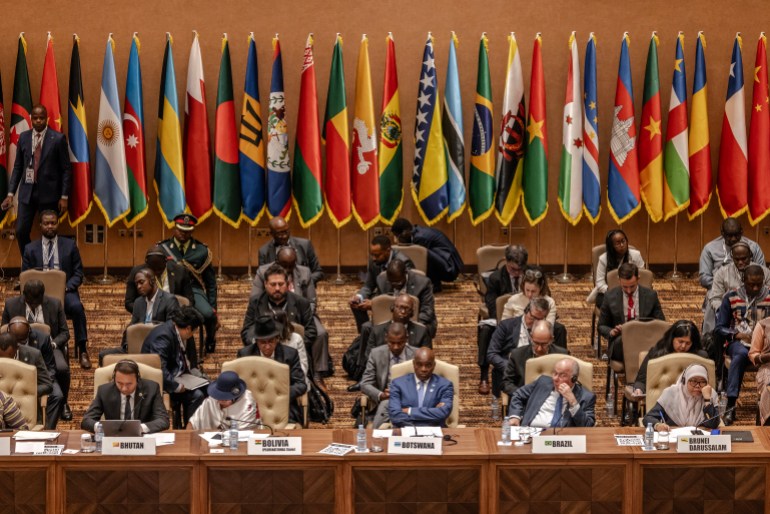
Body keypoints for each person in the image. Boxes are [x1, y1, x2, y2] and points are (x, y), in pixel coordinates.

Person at [21, 210, 91, 369]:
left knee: (77, 308)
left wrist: (65, 287)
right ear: (40, 226)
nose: (50, 226)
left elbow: (78, 273)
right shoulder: (30, 249)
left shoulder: (70, 245)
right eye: (46, 223)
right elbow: (24, 276)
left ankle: (83, 349)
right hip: (38, 295)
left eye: (53, 223)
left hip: (65, 293)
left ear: (58, 224)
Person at [2, 104, 71, 256]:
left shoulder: (58, 138)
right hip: (27, 194)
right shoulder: (24, 138)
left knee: (49, 233)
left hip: (50, 195)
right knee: (21, 231)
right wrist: (10, 193)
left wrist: (64, 196)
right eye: (35, 118)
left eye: (41, 118)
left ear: (46, 119)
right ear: (31, 119)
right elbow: (18, 167)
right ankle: (30, 264)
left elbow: (66, 169)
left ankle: (49, 267)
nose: (38, 121)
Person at [252, 247, 330, 380]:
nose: (288, 270)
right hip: (267, 321)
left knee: (320, 333)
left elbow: (311, 300)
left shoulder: (304, 272)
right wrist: (257, 341)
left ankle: (318, 373)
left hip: (300, 313)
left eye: (281, 284)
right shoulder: (263, 274)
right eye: (273, 284)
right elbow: (248, 327)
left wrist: (293, 344)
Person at [1, 279, 71, 420]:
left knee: (62, 369)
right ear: (23, 295)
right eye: (30, 302)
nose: (33, 305)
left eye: (36, 302)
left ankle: (63, 405)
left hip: (46, 346)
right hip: (11, 352)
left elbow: (65, 333)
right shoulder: (11, 305)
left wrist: (53, 344)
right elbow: (3, 332)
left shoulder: (55, 304)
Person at [715, 264, 770, 425]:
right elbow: (719, 328)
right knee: (739, 355)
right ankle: (731, 406)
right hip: (740, 343)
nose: (755, 287)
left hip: (765, 344)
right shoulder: (731, 297)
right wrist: (736, 334)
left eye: (759, 284)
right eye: (751, 284)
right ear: (743, 280)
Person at [159, 213, 219, 352]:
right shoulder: (163, 248)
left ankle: (210, 339)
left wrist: (213, 307)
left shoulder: (201, 250)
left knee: (208, 314)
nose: (183, 234)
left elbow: (211, 283)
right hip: (170, 288)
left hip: (193, 289)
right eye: (180, 230)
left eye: (187, 231)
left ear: (192, 231)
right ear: (175, 228)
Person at [141, 306, 206, 427]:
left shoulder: (175, 330)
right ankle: (190, 430)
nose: (193, 335)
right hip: (161, 383)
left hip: (178, 375)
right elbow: (159, 370)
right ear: (188, 329)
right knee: (197, 396)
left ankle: (202, 427)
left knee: (209, 388)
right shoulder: (163, 337)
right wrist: (178, 387)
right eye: (194, 331)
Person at [477, 244, 528, 395]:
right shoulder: (496, 278)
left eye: (520, 269)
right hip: (503, 319)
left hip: (528, 318)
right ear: (506, 262)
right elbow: (491, 304)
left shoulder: (532, 274)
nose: (517, 273)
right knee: (485, 330)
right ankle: (484, 375)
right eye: (513, 270)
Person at [237, 315, 307, 424]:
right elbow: (238, 384)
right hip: (253, 404)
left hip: (282, 404)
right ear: (256, 341)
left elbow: (301, 384)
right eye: (263, 343)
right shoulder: (245, 354)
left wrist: (280, 395)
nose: (268, 346)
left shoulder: (290, 354)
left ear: (277, 338)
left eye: (271, 341)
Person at [700, 217, 765, 332]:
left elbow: (762, 273)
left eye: (736, 235)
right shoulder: (710, 249)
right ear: (722, 233)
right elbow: (704, 279)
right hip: (722, 288)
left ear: (741, 232)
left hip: (751, 289)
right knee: (712, 295)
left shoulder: (754, 247)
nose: (733, 239)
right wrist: (724, 283)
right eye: (729, 236)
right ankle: (711, 335)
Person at [599, 262, 665, 363]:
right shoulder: (609, 296)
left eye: (632, 286)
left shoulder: (650, 296)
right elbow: (601, 326)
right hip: (621, 341)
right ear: (619, 280)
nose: (629, 291)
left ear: (638, 278)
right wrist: (612, 332)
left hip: (645, 337)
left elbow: (661, 323)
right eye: (625, 287)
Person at [81, 359, 170, 434]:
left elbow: (163, 420)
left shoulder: (152, 389)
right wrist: (102, 428)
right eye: (119, 383)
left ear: (138, 380)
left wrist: (140, 428)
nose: (124, 388)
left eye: (129, 384)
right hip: (114, 440)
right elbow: (86, 420)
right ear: (114, 378)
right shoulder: (104, 391)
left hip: (142, 440)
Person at [487, 297, 552, 397]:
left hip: (541, 377)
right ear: (526, 311)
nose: (536, 322)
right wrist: (511, 367)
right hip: (513, 378)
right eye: (533, 317)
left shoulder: (550, 331)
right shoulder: (506, 326)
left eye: (540, 319)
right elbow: (492, 354)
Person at [6, 317, 63, 429]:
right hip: (4, 395)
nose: (18, 345)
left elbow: (50, 368)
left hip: (37, 381)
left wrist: (29, 392)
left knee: (57, 395)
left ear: (29, 333)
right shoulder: (4, 343)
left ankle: (48, 429)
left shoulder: (40, 344)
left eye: (21, 341)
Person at [349, 235, 414, 333]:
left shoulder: (403, 263)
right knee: (356, 304)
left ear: (388, 250)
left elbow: (405, 294)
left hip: (398, 299)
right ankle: (367, 334)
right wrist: (359, 296)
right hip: (381, 294)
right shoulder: (373, 261)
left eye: (377, 255)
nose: (374, 258)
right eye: (372, 254)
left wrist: (376, 304)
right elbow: (368, 285)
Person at [509, 358, 596, 428]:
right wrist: (515, 416)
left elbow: (587, 426)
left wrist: (573, 402)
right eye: (554, 373)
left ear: (574, 379)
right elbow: (518, 395)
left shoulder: (586, 397)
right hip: (531, 433)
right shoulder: (542, 382)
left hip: (562, 441)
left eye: (562, 375)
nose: (555, 378)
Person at [360, 322, 416, 428]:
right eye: (392, 343)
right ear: (386, 338)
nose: (395, 347)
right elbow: (365, 383)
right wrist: (381, 395)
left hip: (410, 400)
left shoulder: (416, 355)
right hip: (386, 399)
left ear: (406, 339)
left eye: (400, 343)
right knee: (386, 405)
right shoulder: (376, 354)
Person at [633, 320, 708, 395]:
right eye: (680, 341)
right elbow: (641, 381)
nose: (683, 346)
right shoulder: (656, 353)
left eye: (688, 343)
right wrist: (639, 389)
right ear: (672, 338)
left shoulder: (700, 357)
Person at [391, 217, 464, 292]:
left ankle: (434, 285)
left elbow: (420, 262)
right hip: (445, 261)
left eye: (397, 236)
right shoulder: (415, 232)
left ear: (405, 232)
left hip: (450, 268)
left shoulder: (420, 238)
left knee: (423, 253)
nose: (397, 239)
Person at [388, 347, 453, 428]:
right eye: (419, 364)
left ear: (434, 365)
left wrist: (409, 411)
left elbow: (443, 413)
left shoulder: (445, 385)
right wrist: (432, 414)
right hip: (405, 431)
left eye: (428, 365)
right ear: (414, 364)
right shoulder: (398, 384)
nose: (423, 369)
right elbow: (395, 416)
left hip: (434, 434)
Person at [643, 364, 720, 431]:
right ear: (685, 381)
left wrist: (707, 400)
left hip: (699, 442)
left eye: (703, 382)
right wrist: (657, 425)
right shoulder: (671, 393)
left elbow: (713, 425)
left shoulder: (710, 394)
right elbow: (648, 418)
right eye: (693, 381)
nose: (698, 386)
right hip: (673, 441)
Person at [502, 320, 568, 397]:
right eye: (536, 343)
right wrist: (522, 394)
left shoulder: (562, 355)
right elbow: (506, 382)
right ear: (531, 336)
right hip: (524, 400)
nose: (539, 349)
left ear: (551, 339)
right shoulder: (517, 355)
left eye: (544, 344)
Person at [376, 259, 437, 338]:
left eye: (398, 282)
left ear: (405, 273)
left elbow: (427, 311)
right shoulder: (381, 280)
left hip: (416, 320)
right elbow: (380, 306)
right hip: (389, 320)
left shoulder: (423, 283)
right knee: (366, 327)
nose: (395, 286)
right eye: (391, 283)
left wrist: (407, 323)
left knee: (424, 329)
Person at [124, 245, 194, 313]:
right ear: (147, 264)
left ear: (166, 261)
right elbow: (129, 303)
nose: (156, 272)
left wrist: (179, 314)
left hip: (174, 315)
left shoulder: (180, 271)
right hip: (147, 316)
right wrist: (146, 313)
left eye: (160, 269)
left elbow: (190, 300)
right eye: (153, 269)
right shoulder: (136, 272)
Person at [258, 216, 323, 285]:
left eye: (286, 231)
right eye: (280, 233)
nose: (285, 236)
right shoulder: (264, 252)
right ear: (272, 234)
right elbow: (262, 276)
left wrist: (304, 282)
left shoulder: (305, 245)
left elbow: (318, 272)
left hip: (303, 291)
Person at [587, 229, 645, 305]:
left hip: (632, 290)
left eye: (623, 241)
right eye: (617, 243)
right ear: (611, 246)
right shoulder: (603, 259)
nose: (622, 245)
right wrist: (615, 293)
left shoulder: (636, 255)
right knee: (606, 303)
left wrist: (631, 290)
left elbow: (643, 276)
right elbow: (600, 284)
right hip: (609, 292)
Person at [187, 371, 258, 431]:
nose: (220, 400)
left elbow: (243, 434)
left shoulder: (247, 402)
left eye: (225, 398)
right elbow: (193, 423)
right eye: (219, 396)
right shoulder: (212, 399)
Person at [0, 332, 52, 400]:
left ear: (17, 348)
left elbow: (47, 385)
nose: (6, 361)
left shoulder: (34, 355)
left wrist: (28, 393)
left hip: (25, 401)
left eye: (10, 355)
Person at [749, 317, 770, 425]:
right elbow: (753, 354)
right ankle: (768, 423)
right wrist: (766, 357)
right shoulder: (763, 325)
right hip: (767, 366)